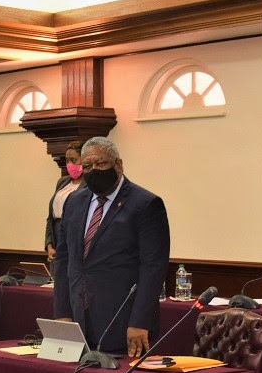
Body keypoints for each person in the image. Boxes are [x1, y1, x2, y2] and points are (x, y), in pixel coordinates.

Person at [52, 137, 169, 357]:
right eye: (88, 166)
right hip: (79, 319)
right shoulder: (74, 202)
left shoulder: (145, 204)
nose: (94, 170)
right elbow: (64, 259)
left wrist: (139, 321)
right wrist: (62, 313)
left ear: (118, 165)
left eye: (101, 163)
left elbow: (153, 267)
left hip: (124, 323)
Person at [45, 142, 85, 261]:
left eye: (73, 160)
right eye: (67, 161)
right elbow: (50, 218)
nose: (69, 164)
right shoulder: (62, 182)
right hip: (56, 239)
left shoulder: (90, 185)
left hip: (75, 240)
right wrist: (49, 245)